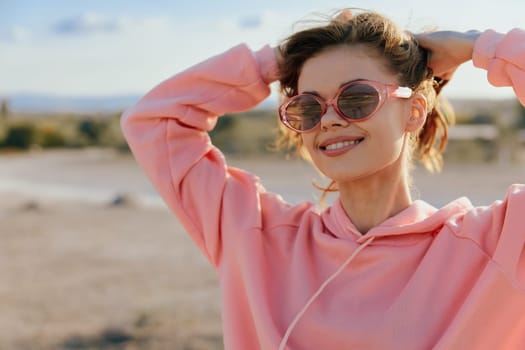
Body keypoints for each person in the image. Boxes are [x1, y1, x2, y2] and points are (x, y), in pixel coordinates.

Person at [121, 8, 525, 350]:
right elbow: (155, 120)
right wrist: (275, 63)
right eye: (308, 107)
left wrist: (480, 47)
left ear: (414, 111)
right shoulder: (254, 234)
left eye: (356, 98)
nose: (329, 119)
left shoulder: (501, 244)